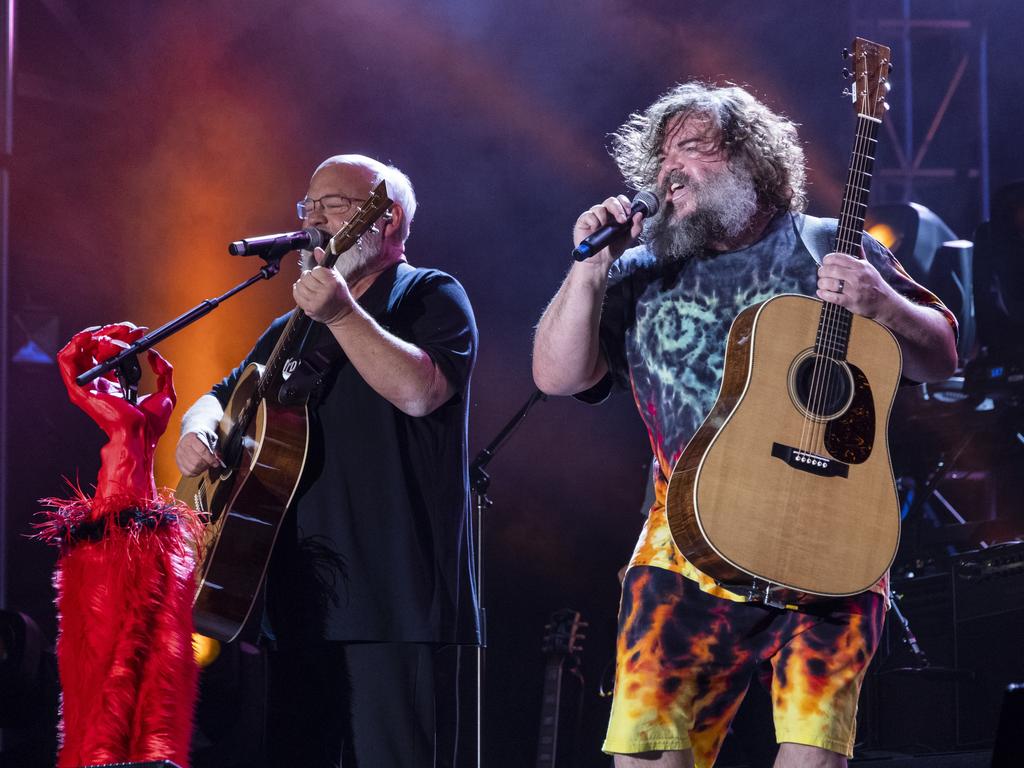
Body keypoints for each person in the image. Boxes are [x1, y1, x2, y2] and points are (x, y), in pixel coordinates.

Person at [532, 83, 959, 768]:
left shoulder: (828, 246)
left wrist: (885, 303)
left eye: (694, 149)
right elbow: (555, 378)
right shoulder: (640, 272)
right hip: (685, 549)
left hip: (831, 544)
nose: (670, 169)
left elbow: (941, 354)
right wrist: (588, 271)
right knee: (647, 758)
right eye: (662, 155)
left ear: (751, 164)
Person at [176, 154, 479, 767]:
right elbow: (220, 393)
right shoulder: (295, 325)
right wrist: (199, 427)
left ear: (387, 219)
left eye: (332, 205)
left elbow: (421, 393)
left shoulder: (430, 294)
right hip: (297, 603)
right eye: (306, 207)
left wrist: (343, 313)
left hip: (395, 601)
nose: (312, 219)